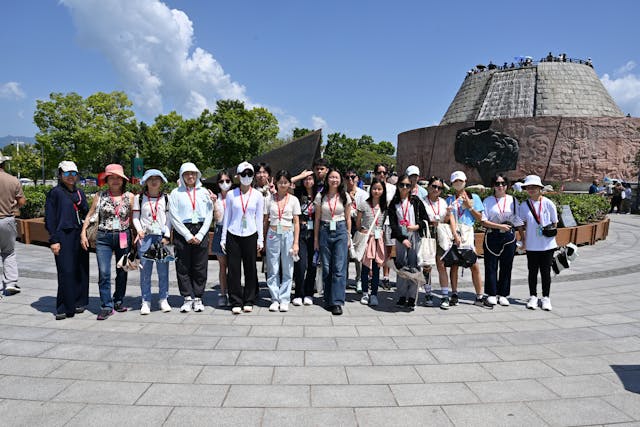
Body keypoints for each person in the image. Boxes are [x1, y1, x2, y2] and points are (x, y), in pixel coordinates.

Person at [81, 164, 134, 320]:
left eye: (118, 178)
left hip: (123, 236)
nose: (115, 180)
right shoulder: (100, 195)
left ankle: (118, 300)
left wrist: (137, 237)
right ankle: (106, 305)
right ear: (107, 180)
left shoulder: (129, 196)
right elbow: (90, 215)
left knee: (122, 270)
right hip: (103, 237)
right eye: (112, 177)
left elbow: (133, 218)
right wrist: (83, 232)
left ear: (123, 180)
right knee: (104, 272)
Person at [45, 161, 89, 319]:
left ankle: (78, 302)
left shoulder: (79, 193)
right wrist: (53, 240)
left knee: (80, 269)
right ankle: (63, 306)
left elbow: (86, 212)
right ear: (60, 175)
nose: (70, 177)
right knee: (66, 271)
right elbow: (50, 218)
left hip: (79, 234)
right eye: (66, 173)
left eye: (73, 173)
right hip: (63, 236)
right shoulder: (55, 193)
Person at [169, 162, 214, 313]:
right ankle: (187, 297)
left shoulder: (204, 192)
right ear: (182, 176)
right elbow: (173, 216)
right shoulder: (175, 193)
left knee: (200, 266)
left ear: (197, 175)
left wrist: (201, 234)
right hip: (183, 230)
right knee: (183, 265)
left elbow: (209, 213)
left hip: (201, 228)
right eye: (187, 174)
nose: (190, 176)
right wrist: (187, 234)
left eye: (193, 173)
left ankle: (198, 297)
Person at [222, 161, 264, 314]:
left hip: (251, 234)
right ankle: (235, 300)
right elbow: (227, 217)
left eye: (249, 174)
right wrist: (223, 238)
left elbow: (259, 218)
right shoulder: (231, 194)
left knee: (250, 268)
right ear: (238, 176)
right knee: (233, 269)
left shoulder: (258, 195)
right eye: (243, 174)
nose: (247, 177)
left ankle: (249, 299)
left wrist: (260, 239)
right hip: (233, 234)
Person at [133, 169, 172, 315]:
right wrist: (139, 230)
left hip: (160, 237)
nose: (154, 181)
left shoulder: (166, 198)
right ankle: (146, 300)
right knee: (145, 271)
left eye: (157, 178)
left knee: (163, 271)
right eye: (151, 179)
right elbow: (136, 217)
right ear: (145, 181)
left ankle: (163, 298)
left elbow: (169, 219)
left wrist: (167, 235)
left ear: (161, 181)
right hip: (145, 238)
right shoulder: (140, 198)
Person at [481, 174, 524, 307]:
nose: (500, 186)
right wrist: (499, 226)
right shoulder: (488, 201)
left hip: (509, 237)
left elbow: (518, 221)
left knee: (507, 265)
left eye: (503, 184)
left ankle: (503, 294)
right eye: (497, 184)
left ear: (507, 186)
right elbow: (483, 221)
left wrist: (523, 237)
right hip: (492, 236)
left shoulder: (513, 200)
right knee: (491, 265)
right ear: (493, 186)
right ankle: (492, 293)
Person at [388, 174, 429, 310]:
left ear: (411, 187)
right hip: (401, 237)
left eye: (407, 185)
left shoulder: (416, 201)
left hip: (415, 235)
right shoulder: (394, 203)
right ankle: (401, 295)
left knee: (415, 266)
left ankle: (412, 297)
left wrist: (417, 226)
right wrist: (402, 239)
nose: (404, 187)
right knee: (401, 266)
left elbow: (425, 219)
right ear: (397, 186)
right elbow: (393, 225)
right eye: (401, 185)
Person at [314, 168, 351, 315]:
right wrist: (316, 239)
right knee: (327, 267)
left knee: (339, 267)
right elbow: (317, 219)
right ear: (327, 179)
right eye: (331, 177)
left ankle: (337, 301)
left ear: (340, 180)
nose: (334, 180)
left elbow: (348, 219)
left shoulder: (345, 196)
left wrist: (348, 236)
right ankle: (328, 298)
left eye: (337, 177)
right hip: (324, 229)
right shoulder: (320, 196)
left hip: (341, 230)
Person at [518, 175, 558, 311]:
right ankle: (533, 296)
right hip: (531, 244)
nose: (531, 189)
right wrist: (523, 239)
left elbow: (555, 222)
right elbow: (521, 224)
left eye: (534, 187)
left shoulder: (548, 203)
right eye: (528, 187)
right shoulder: (524, 205)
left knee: (546, 272)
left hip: (547, 244)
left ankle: (546, 297)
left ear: (540, 188)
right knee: (532, 271)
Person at [445, 171, 485, 307]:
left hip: (468, 233)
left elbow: (480, 218)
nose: (458, 183)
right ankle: (454, 293)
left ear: (465, 181)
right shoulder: (449, 200)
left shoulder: (473, 197)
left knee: (474, 265)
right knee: (454, 264)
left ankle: (479, 295)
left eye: (460, 181)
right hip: (454, 234)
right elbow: (446, 219)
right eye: (455, 181)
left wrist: (470, 206)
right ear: (451, 183)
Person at [263, 170, 301, 312]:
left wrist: (296, 242)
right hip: (272, 233)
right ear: (276, 183)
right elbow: (265, 220)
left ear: (289, 183)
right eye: (280, 182)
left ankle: (284, 299)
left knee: (287, 267)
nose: (283, 185)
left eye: (286, 182)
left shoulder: (293, 200)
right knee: (273, 268)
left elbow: (296, 222)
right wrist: (263, 237)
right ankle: (274, 298)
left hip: (287, 233)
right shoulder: (269, 199)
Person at [423, 176, 456, 309]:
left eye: (439, 187)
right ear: (428, 187)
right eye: (434, 186)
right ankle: (428, 293)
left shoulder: (443, 202)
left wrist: (448, 214)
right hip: (428, 233)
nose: (436, 189)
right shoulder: (422, 201)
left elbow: (446, 219)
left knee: (441, 264)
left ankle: (444, 295)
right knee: (427, 265)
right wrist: (431, 222)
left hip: (441, 234)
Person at [355, 178, 387, 307]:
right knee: (365, 267)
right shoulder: (364, 204)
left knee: (376, 267)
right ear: (370, 189)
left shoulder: (385, 206)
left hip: (378, 239)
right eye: (374, 188)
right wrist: (360, 231)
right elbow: (358, 221)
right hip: (367, 238)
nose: (376, 191)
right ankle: (364, 292)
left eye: (379, 189)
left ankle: (374, 293)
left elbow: (384, 222)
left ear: (383, 190)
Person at [0, 151, 26, 297]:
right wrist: (13, 205)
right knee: (8, 252)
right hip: (7, 220)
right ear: (3, 163)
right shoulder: (13, 180)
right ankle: (10, 283)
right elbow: (21, 201)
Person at [292, 174, 318, 306]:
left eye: (310, 178)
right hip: (301, 232)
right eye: (306, 179)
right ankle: (298, 293)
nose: (308, 181)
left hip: (315, 232)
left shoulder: (319, 193)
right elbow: (289, 181)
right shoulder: (297, 193)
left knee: (312, 264)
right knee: (300, 265)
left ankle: (309, 293)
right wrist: (302, 174)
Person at [374, 163, 396, 290]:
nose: (382, 175)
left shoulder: (392, 188)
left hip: (387, 221)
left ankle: (386, 277)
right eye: (379, 172)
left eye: (384, 173)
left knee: (387, 250)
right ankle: (373, 274)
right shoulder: (372, 187)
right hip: (375, 222)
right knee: (375, 248)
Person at [345, 168, 368, 293]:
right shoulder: (342, 193)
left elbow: (365, 210)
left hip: (359, 225)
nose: (350, 180)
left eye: (353, 177)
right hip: (344, 225)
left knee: (359, 254)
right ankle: (345, 279)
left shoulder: (363, 194)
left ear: (357, 178)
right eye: (347, 177)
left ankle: (359, 279)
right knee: (345, 254)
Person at [212, 170, 233, 306]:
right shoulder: (216, 198)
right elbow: (217, 218)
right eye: (221, 181)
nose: (224, 184)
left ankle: (233, 292)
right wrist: (214, 203)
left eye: (227, 181)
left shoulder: (236, 195)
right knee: (222, 265)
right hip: (220, 231)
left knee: (234, 265)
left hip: (234, 231)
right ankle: (223, 293)